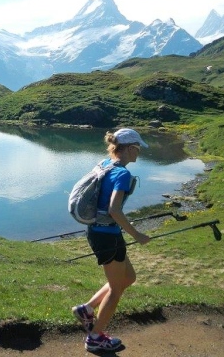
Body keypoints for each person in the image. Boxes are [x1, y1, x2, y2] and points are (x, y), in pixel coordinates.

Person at [71, 128, 151, 352]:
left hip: (100, 231)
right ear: (129, 148)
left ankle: (87, 309)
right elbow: (114, 209)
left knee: (129, 277)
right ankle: (95, 337)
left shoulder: (105, 164)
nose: (139, 152)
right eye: (138, 148)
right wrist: (137, 235)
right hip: (107, 235)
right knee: (116, 290)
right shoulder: (122, 174)